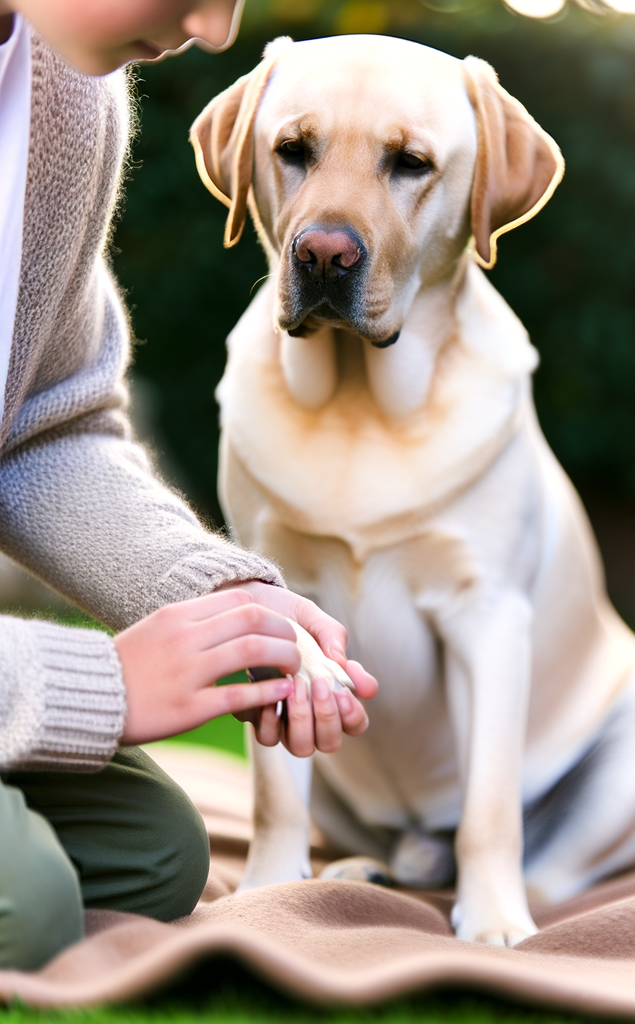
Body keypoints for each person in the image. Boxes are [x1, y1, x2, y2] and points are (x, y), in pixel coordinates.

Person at [0, 0, 378, 971]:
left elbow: (45, 428)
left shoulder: (66, 96)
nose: (216, 28)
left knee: (155, 852)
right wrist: (98, 684)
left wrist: (211, 594)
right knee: (28, 903)